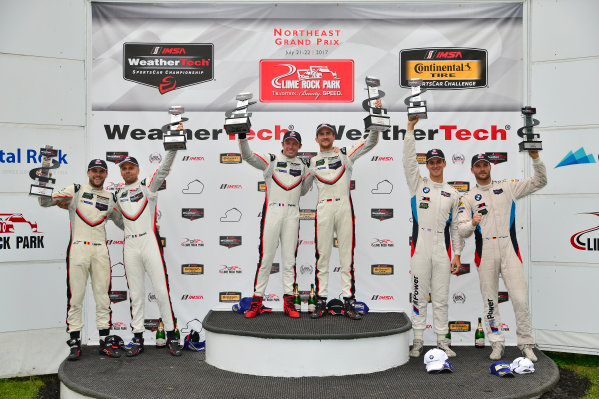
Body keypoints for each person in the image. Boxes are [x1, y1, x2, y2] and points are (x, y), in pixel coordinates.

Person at [458, 151, 547, 362]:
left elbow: (540, 181)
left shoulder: (507, 186)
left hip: (509, 248)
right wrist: (472, 223)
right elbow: (462, 230)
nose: (482, 169)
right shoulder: (468, 197)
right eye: (478, 166)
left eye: (485, 165)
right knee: (490, 302)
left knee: (520, 299)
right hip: (485, 252)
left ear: (490, 167)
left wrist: (535, 158)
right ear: (472, 170)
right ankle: (496, 342)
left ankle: (525, 343)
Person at [38, 159, 124, 360]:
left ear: (106, 174)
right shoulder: (75, 190)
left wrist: (146, 229)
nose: (97, 174)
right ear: (88, 172)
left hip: (100, 250)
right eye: (94, 171)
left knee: (103, 297)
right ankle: (75, 342)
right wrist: (44, 178)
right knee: (75, 298)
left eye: (101, 171)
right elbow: (44, 202)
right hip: (78, 248)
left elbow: (124, 224)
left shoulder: (111, 197)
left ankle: (105, 340)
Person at [309, 105, 381, 320]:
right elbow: (301, 187)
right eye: (321, 134)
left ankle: (349, 300)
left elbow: (371, 142)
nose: (325, 137)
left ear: (333, 136)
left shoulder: (346, 154)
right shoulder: (312, 162)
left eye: (328, 133)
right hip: (323, 207)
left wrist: (376, 119)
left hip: (344, 206)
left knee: (346, 257)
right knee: (322, 256)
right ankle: (321, 301)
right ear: (317, 138)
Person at [402, 116, 464, 358]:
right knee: (419, 294)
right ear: (427, 165)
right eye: (431, 162)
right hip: (420, 245)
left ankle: (442, 340)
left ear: (444, 164)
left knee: (440, 297)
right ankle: (417, 340)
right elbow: (408, 161)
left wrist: (457, 253)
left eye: (438, 162)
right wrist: (410, 129)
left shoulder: (453, 193)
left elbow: (457, 228)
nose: (435, 165)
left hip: (442, 247)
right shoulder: (418, 185)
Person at [239, 130, 312, 318]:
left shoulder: (302, 165)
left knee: (289, 261)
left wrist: (311, 174)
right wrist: (241, 135)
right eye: (288, 143)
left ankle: (289, 304)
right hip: (272, 212)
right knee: (266, 260)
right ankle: (256, 302)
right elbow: (247, 156)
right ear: (282, 144)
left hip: (292, 214)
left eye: (294, 144)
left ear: (300, 147)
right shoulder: (271, 160)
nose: (290, 146)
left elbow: (303, 191)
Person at [115, 150, 182, 357]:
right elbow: (120, 220)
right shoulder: (118, 194)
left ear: (137, 170)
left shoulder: (147, 186)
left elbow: (163, 170)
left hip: (149, 241)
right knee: (136, 294)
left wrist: (173, 147)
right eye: (124, 168)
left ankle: (172, 336)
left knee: (161, 292)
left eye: (131, 168)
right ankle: (137, 338)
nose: (127, 171)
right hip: (130, 246)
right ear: (121, 172)